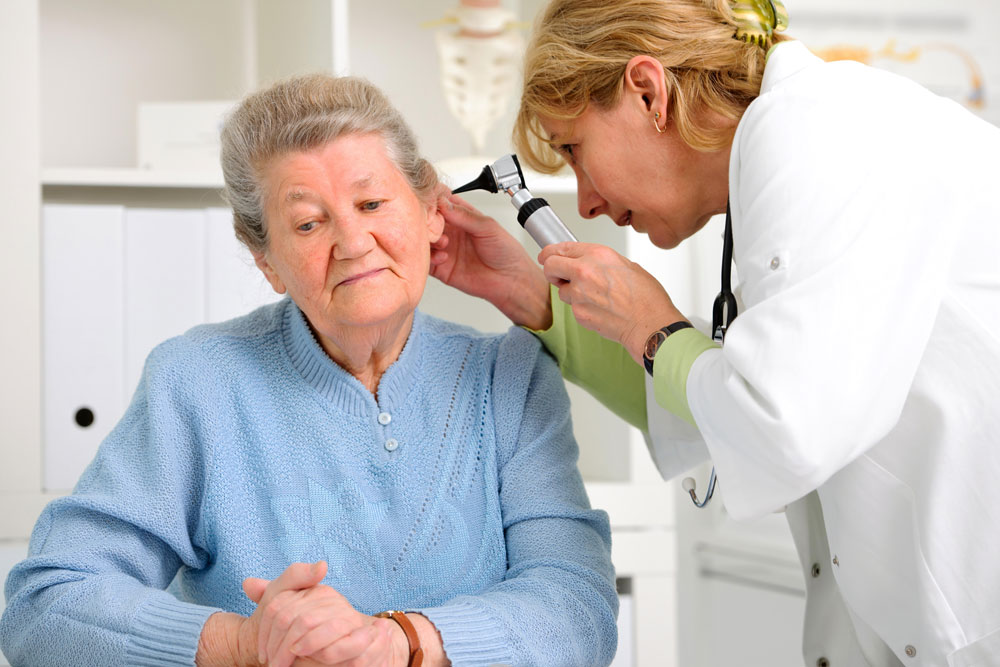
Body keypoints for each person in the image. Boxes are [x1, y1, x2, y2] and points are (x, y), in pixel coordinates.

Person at [428, 0, 1000, 664]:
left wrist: (651, 322)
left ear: (648, 92)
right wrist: (525, 292)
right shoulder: (796, 144)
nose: (584, 202)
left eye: (574, 149)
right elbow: (709, 397)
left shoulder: (818, 128)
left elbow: (775, 422)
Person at [0, 74, 618, 667]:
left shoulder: (507, 377)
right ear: (265, 259)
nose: (352, 242)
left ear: (433, 210)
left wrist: (399, 643)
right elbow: (45, 606)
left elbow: (578, 607)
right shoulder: (196, 382)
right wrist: (245, 645)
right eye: (307, 223)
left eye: (372, 202)